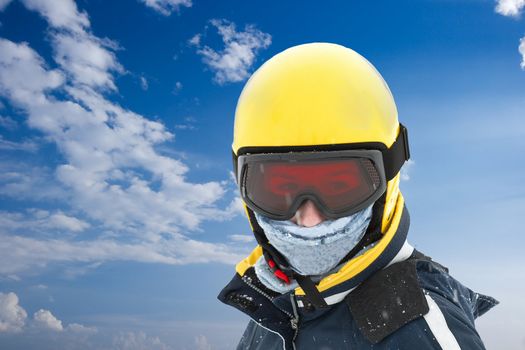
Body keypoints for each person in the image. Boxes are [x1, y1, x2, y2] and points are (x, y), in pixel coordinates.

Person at [218, 43, 497, 350]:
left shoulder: (416, 329)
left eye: (338, 188)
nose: (309, 220)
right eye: (282, 190)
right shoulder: (282, 300)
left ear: (387, 179)